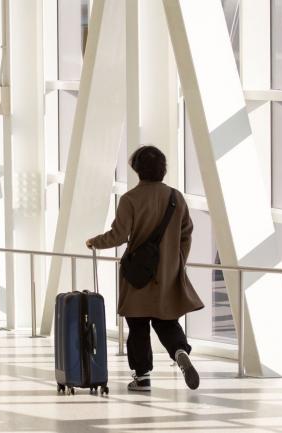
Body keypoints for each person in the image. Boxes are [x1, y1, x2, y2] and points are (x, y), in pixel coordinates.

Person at [86, 145, 204, 392]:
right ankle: (179, 350)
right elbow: (187, 234)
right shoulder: (176, 198)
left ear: (138, 170)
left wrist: (94, 241)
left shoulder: (130, 199)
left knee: (138, 326)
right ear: (163, 169)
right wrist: (176, 260)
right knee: (167, 322)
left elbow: (118, 236)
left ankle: (142, 377)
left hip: (137, 275)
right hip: (167, 274)